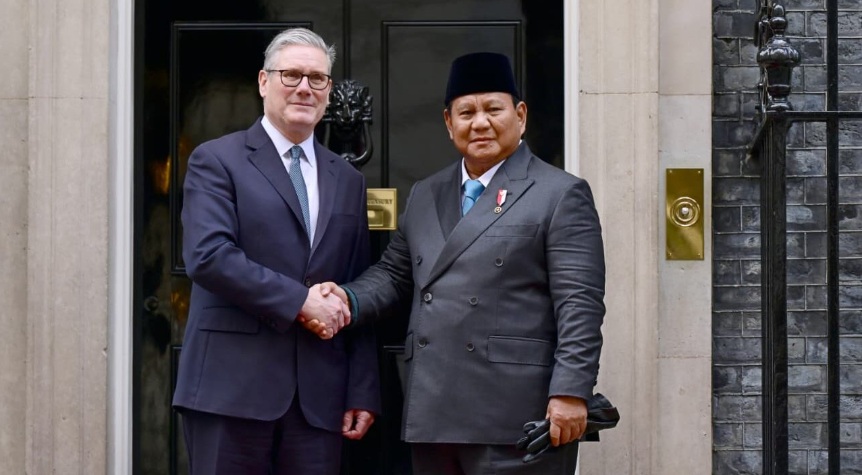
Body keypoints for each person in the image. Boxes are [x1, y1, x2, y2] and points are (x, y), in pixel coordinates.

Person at [314, 51, 606, 474]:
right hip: (434, 412)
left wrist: (572, 392)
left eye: (493, 109)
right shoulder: (425, 193)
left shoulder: (559, 193)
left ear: (520, 115)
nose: (480, 122)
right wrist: (345, 298)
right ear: (449, 123)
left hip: (517, 418)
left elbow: (579, 302)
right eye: (466, 112)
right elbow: (395, 276)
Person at [172, 27, 380, 475]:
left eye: (317, 78)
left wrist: (362, 388)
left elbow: (358, 283)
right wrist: (300, 301)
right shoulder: (217, 160)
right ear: (264, 82)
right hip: (231, 392)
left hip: (319, 402)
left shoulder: (349, 181)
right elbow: (209, 255)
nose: (305, 87)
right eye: (291, 75)